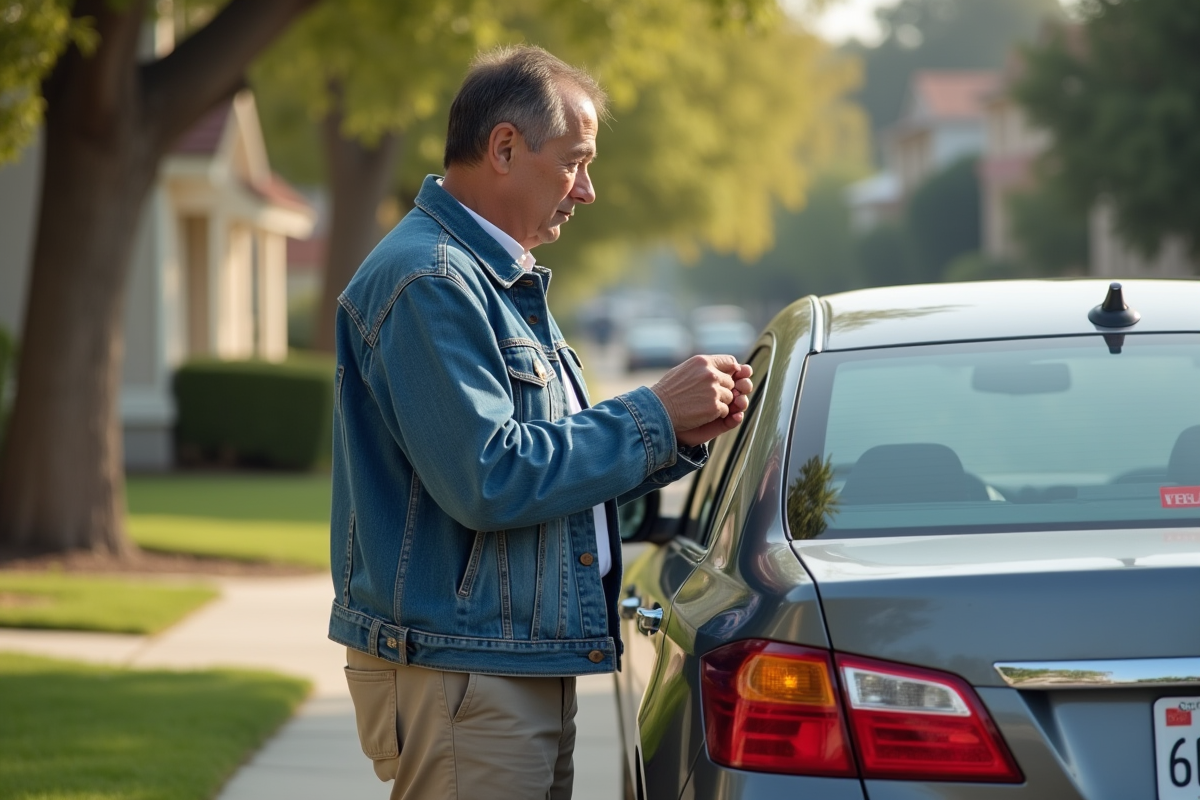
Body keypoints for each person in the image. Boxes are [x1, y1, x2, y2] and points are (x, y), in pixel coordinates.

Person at [329, 44, 752, 800]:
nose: (586, 190)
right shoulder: (432, 280)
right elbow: (490, 476)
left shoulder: (489, 278)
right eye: (575, 162)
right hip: (465, 672)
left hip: (504, 662)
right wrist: (653, 414)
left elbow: (550, 485)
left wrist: (676, 436)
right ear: (503, 147)